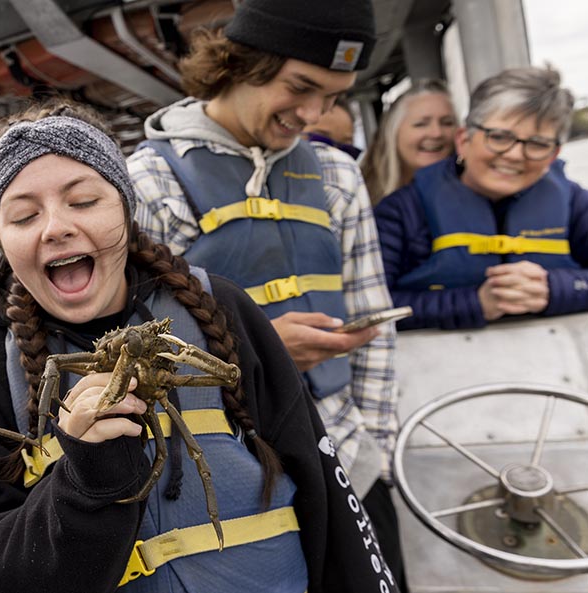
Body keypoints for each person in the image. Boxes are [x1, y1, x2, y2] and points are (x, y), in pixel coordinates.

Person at [0, 102, 398, 593]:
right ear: (0, 239)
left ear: (126, 210)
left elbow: (324, 492)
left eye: (83, 201)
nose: (56, 227)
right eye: (23, 215)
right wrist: (85, 481)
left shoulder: (220, 309)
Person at [124, 0, 405, 585]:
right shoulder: (149, 182)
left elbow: (375, 321)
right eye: (300, 87)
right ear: (241, 61)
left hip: (351, 459)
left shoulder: (337, 175)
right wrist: (258, 352)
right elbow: (130, 354)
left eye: (332, 96)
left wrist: (374, 451)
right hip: (236, 485)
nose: (313, 113)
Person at [375, 66, 588, 330]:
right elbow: (368, 308)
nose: (514, 155)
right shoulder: (400, 212)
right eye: (499, 137)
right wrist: (472, 302)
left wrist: (557, 289)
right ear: (464, 139)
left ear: (553, 155)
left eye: (537, 144)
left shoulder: (574, 202)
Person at [361, 79, 457, 204]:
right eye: (421, 124)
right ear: (393, 132)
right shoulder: (362, 195)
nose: (437, 133)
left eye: (447, 123)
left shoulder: (472, 192)